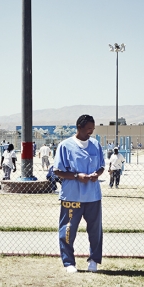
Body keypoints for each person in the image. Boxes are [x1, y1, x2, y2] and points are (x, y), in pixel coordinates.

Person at [53, 114, 105, 273]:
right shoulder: (65, 146)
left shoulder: (95, 144)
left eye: (93, 129)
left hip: (93, 197)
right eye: (89, 128)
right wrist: (76, 176)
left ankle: (94, 260)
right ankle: (69, 262)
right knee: (68, 230)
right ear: (79, 127)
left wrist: (97, 174)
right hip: (72, 196)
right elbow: (57, 171)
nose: (91, 132)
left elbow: (102, 166)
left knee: (95, 230)